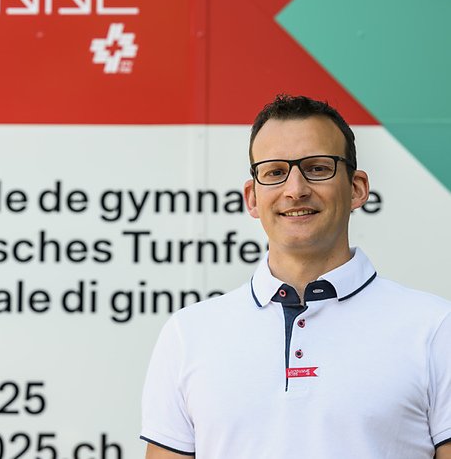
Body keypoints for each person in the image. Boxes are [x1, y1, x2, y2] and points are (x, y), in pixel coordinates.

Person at [140, 95, 451, 459]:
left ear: (357, 189)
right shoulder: (188, 334)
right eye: (274, 172)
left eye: (318, 168)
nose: (295, 189)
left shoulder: (436, 329)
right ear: (252, 198)